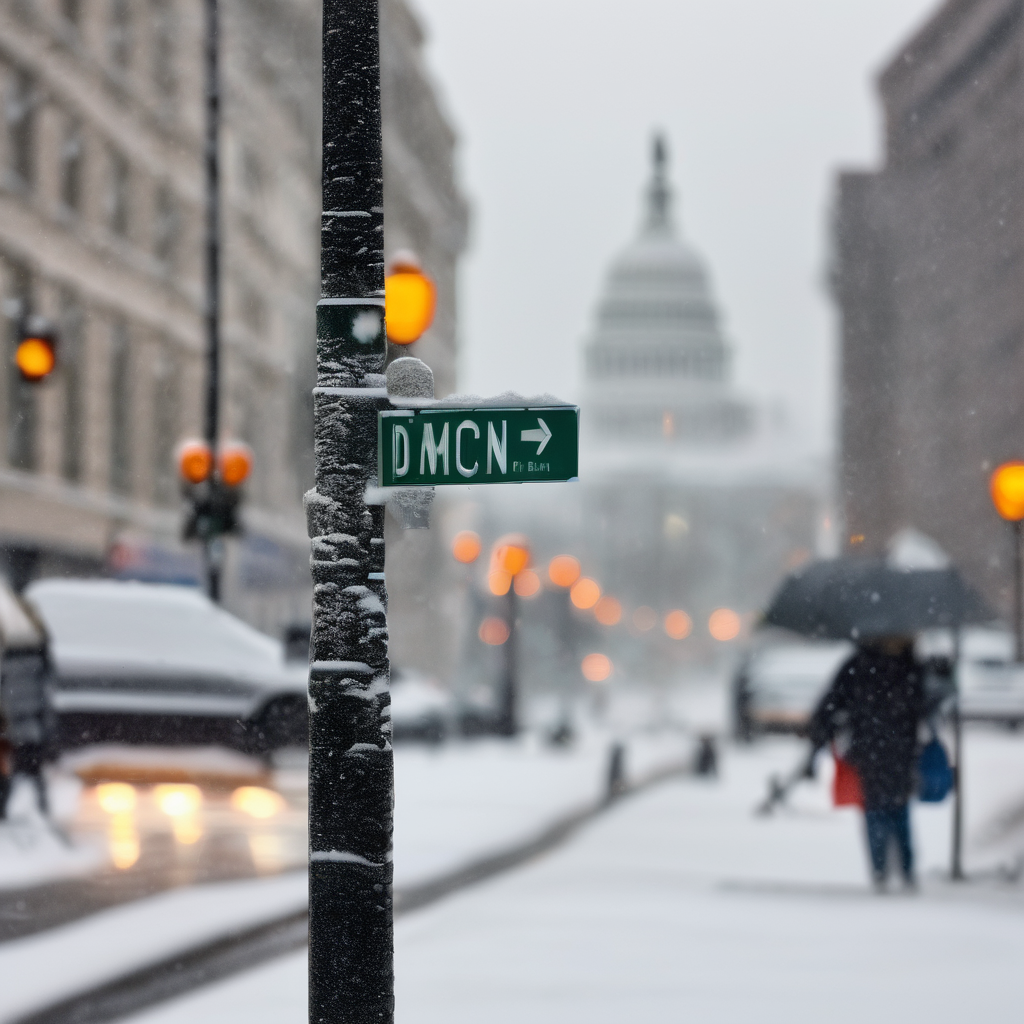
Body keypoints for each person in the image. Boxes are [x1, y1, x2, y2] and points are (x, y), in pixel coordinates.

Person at [805, 635, 926, 890]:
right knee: (897, 808)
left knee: (876, 809)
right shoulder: (909, 665)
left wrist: (821, 733)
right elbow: (923, 705)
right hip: (898, 747)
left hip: (870, 746)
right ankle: (904, 868)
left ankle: (882, 868)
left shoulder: (859, 663)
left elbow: (831, 702)